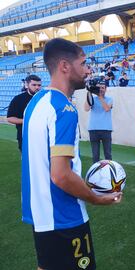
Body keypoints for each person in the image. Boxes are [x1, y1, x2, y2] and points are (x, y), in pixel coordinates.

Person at [21, 38, 122, 270]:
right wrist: (96, 198)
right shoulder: (63, 109)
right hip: (64, 216)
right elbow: (61, 175)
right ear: (65, 66)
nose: (88, 70)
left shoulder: (35, 102)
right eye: (84, 63)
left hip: (40, 214)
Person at [7, 75, 42, 152]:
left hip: (42, 136)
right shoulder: (18, 99)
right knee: (27, 162)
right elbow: (10, 118)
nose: (37, 87)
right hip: (24, 136)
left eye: (39, 85)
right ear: (27, 85)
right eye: (34, 85)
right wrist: (28, 120)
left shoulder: (45, 98)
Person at [85, 81, 113, 163]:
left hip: (106, 129)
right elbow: (86, 109)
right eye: (99, 88)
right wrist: (89, 93)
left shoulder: (110, 99)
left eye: (103, 88)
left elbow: (107, 108)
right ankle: (95, 174)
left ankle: (109, 172)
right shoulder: (92, 99)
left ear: (106, 89)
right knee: (95, 155)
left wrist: (100, 97)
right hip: (93, 129)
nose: (101, 89)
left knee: (108, 154)